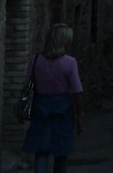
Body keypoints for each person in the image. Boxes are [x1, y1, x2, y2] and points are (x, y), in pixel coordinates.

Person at [23, 23, 84, 173]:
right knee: (61, 152)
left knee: (41, 150)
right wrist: (79, 114)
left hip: (40, 106)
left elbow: (27, 85)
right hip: (63, 109)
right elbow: (77, 91)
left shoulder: (36, 60)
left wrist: (23, 106)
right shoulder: (70, 62)